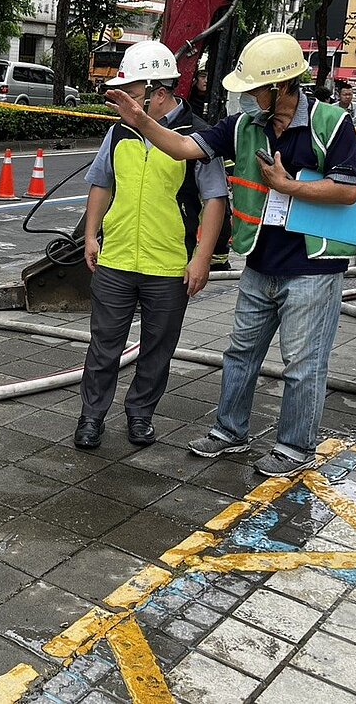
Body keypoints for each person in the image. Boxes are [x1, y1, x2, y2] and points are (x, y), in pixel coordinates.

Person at [105, 32, 356, 477]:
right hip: (260, 260)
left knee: (302, 363)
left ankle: (295, 447)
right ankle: (229, 431)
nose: (244, 97)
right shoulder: (244, 126)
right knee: (241, 352)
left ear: (282, 87)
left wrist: (290, 187)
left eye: (252, 90)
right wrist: (142, 121)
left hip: (312, 265)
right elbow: (186, 147)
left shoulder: (331, 124)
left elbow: (348, 190)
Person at [74, 41, 227, 450]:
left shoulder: (197, 138)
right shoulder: (120, 131)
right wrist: (91, 236)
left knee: (157, 350)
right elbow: (101, 183)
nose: (127, 106)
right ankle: (91, 417)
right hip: (117, 258)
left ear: (160, 94)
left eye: (134, 97)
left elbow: (215, 200)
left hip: (169, 265)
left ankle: (140, 415)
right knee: (103, 344)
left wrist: (202, 259)